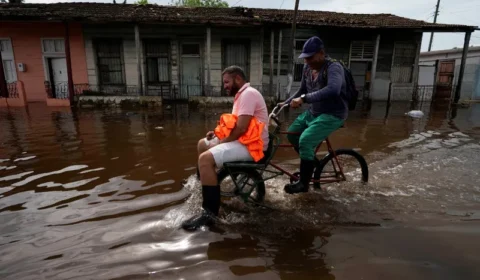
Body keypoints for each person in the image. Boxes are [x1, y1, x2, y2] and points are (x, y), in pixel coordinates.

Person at [182, 66, 270, 231]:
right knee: (202, 144)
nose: (225, 86)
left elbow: (242, 128)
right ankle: (204, 181)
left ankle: (209, 214)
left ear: (237, 79)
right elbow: (234, 126)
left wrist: (222, 142)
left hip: (252, 146)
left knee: (205, 159)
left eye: (227, 82)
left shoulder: (248, 94)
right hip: (244, 141)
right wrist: (217, 134)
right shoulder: (241, 95)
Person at [282, 36, 348, 194]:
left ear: (321, 53)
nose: (307, 61)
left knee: (305, 140)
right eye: (305, 58)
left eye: (310, 57)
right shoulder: (307, 69)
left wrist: (304, 99)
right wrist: (285, 102)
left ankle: (303, 184)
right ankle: (312, 163)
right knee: (292, 134)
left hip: (333, 114)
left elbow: (333, 89)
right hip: (314, 112)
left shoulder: (333, 67)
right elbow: (302, 91)